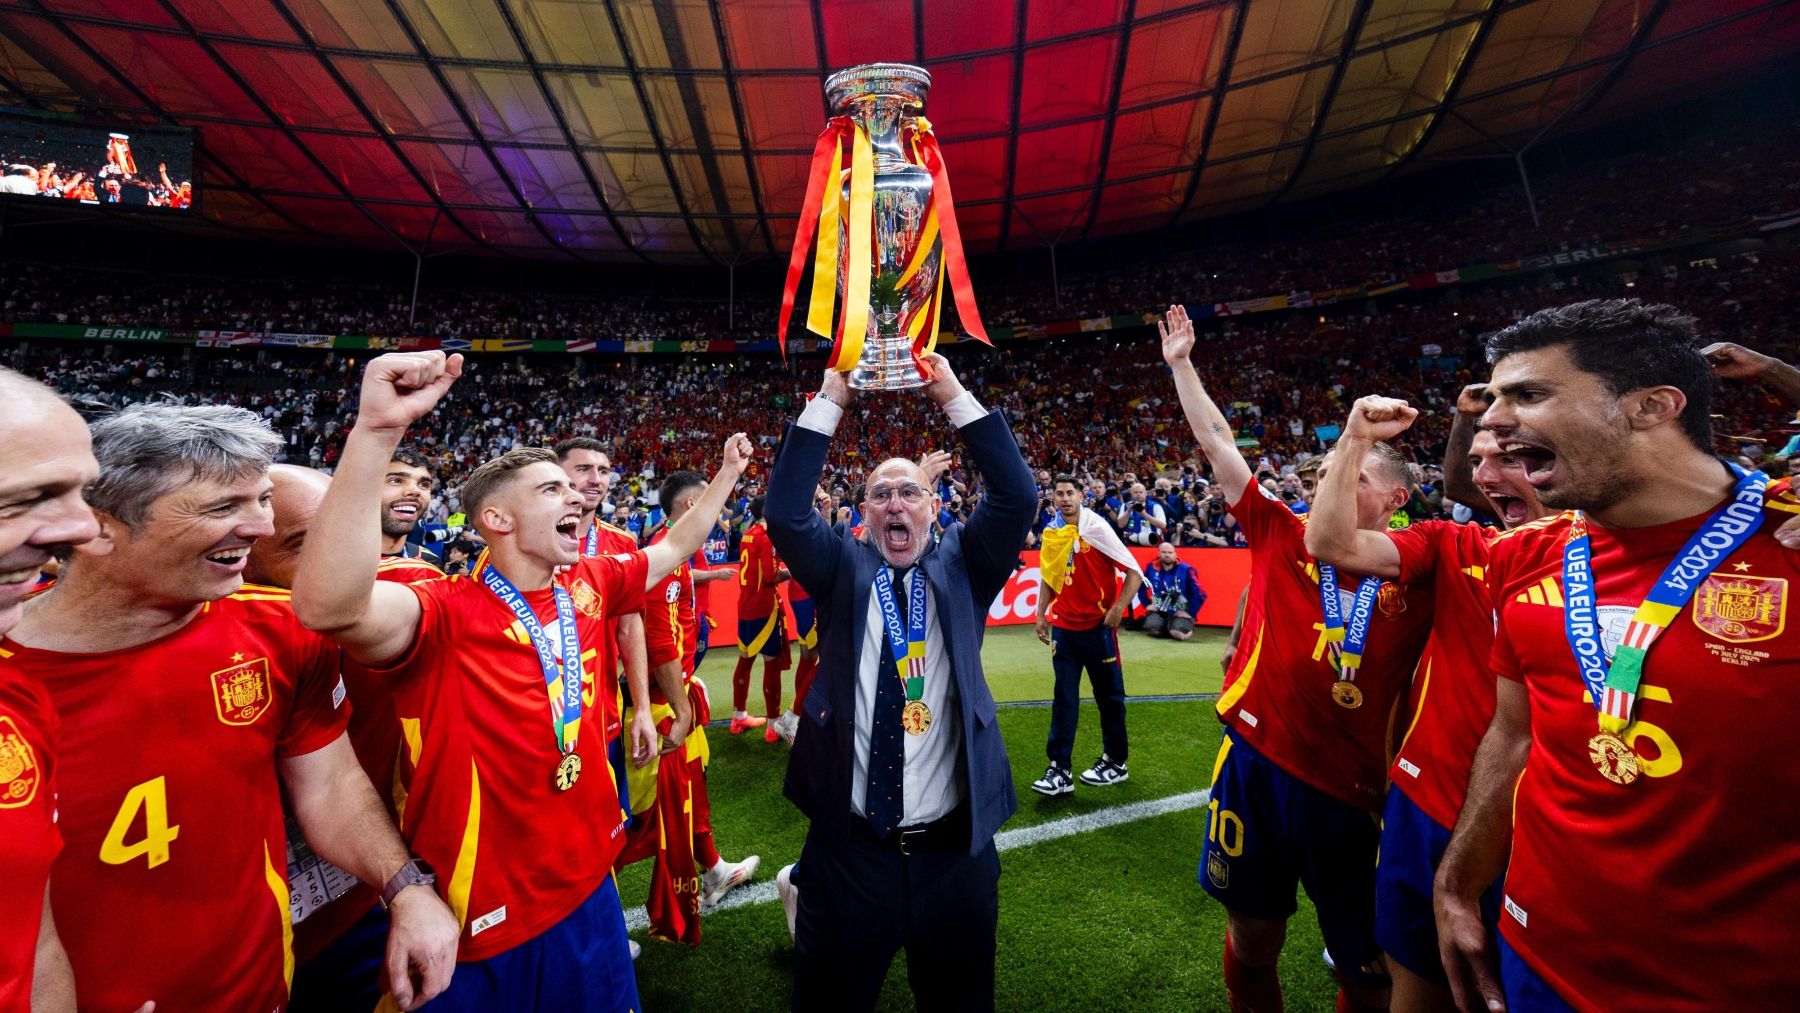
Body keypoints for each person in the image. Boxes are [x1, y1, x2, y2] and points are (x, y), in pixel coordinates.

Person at [292, 351, 754, 1010]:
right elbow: (329, 606)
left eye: (573, 488)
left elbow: (677, 547)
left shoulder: (591, 579)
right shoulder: (443, 610)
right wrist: (375, 434)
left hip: (590, 886)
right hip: (479, 919)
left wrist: (728, 475)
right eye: (552, 489)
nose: (576, 496)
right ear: (497, 521)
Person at [2, 401, 461, 1013]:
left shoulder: (278, 631)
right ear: (99, 525)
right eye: (223, 507)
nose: (262, 529)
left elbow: (331, 785)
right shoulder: (14, 673)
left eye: (261, 499)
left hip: (259, 986)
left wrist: (405, 888)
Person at [1436, 300, 1800, 1013]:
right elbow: (1514, 735)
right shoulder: (1524, 555)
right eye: (1495, 397)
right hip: (1539, 952)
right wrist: (1455, 884)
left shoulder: (1788, 541)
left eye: (1529, 394)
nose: (1493, 421)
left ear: (1653, 406)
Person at [1159, 304, 1433, 1013]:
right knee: (1252, 937)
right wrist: (1183, 366)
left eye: (1356, 476)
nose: (1330, 483)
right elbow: (1219, 444)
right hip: (1256, 767)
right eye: (1327, 468)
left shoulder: (1420, 570)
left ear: (1396, 501)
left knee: (1365, 971)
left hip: (1354, 800)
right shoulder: (1280, 532)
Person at [763, 354, 1035, 1012]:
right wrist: (832, 396)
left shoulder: (966, 564)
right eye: (880, 493)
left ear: (933, 506)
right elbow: (786, 515)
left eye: (908, 491)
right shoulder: (841, 568)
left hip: (954, 857)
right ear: (863, 514)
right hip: (850, 854)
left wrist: (950, 393)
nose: (894, 502)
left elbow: (1017, 496)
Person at [1305, 395, 1551, 1013]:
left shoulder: (1620, 563)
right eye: (1478, 460)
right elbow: (1331, 541)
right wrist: (1354, 441)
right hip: (1426, 810)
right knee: (1415, 982)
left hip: (1539, 829)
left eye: (1513, 458)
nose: (1487, 476)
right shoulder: (1456, 545)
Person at [241, 464, 448, 1011]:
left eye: (346, 535)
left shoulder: (404, 592)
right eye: (307, 544)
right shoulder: (232, 642)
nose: (342, 565)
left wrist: (403, 884)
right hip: (255, 941)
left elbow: (330, 782)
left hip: (361, 898)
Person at [621, 469, 758, 946]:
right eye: (711, 504)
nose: (720, 513)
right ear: (689, 509)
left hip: (676, 694)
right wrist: (680, 708)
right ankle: (589, 908)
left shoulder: (673, 554)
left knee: (691, 797)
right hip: (661, 706)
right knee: (642, 821)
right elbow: (657, 641)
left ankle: (717, 870)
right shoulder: (662, 559)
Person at [0, 368, 101, 1013]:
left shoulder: (17, 698)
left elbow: (29, 942)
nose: (83, 530)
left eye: (79, 493)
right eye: (21, 499)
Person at [556, 438, 658, 840]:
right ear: (557, 473)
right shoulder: (525, 540)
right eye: (583, 469)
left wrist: (644, 710)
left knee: (608, 833)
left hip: (603, 715)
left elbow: (629, 628)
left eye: (603, 470)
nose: (595, 479)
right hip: (541, 716)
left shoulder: (621, 544)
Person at [1031, 474, 1144, 795]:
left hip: (1098, 630)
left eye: (1070, 493)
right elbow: (1049, 576)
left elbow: (1134, 571)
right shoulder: (1053, 532)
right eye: (1059, 494)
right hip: (1064, 630)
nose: (1065, 499)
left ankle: (1115, 761)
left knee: (1109, 699)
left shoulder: (1097, 529)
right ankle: (1059, 770)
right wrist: (1041, 612)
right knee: (1064, 699)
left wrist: (1119, 607)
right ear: (1053, 499)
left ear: (1081, 496)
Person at [729, 497, 789, 736]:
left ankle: (738, 717)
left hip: (745, 607)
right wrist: (791, 573)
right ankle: (773, 726)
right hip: (764, 609)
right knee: (771, 664)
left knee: (745, 661)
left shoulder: (748, 533)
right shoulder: (766, 536)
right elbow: (771, 576)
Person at [380, 446, 442, 567]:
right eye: (396, 480)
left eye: (424, 484)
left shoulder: (430, 565)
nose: (415, 491)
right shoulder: (335, 559)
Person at [1139, 541, 1205, 641]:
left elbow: (1200, 593)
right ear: (1159, 554)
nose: (1167, 555)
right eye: (1164, 552)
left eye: (1170, 552)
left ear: (1175, 554)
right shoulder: (1151, 568)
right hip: (1159, 609)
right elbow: (1141, 587)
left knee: (1178, 634)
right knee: (1153, 629)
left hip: (1180, 610)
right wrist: (1147, 605)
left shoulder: (1187, 569)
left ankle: (1182, 627)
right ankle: (1167, 625)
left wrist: (1190, 612)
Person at [1119, 482, 1168, 546]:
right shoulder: (1125, 506)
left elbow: (1162, 525)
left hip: (1150, 541)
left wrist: (1144, 514)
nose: (1138, 494)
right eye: (1135, 492)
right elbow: (1120, 525)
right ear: (1131, 494)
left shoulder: (1155, 506)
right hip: (1130, 541)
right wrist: (1128, 511)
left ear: (1146, 494)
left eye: (1141, 492)